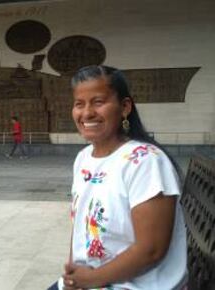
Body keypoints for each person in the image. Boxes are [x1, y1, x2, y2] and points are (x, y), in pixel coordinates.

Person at [48, 65, 187, 290]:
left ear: (124, 107)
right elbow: (81, 223)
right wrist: (75, 271)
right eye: (79, 104)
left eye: (98, 102)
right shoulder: (83, 158)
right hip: (95, 280)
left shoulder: (145, 161)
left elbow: (151, 250)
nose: (87, 113)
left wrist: (91, 279)